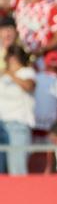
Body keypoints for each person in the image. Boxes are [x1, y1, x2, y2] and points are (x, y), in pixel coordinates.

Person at [0, 45, 34, 175]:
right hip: (1, 125)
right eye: (10, 58)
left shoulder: (27, 72)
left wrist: (12, 75)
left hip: (18, 126)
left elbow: (29, 86)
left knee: (17, 170)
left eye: (16, 59)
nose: (13, 62)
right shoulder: (2, 76)